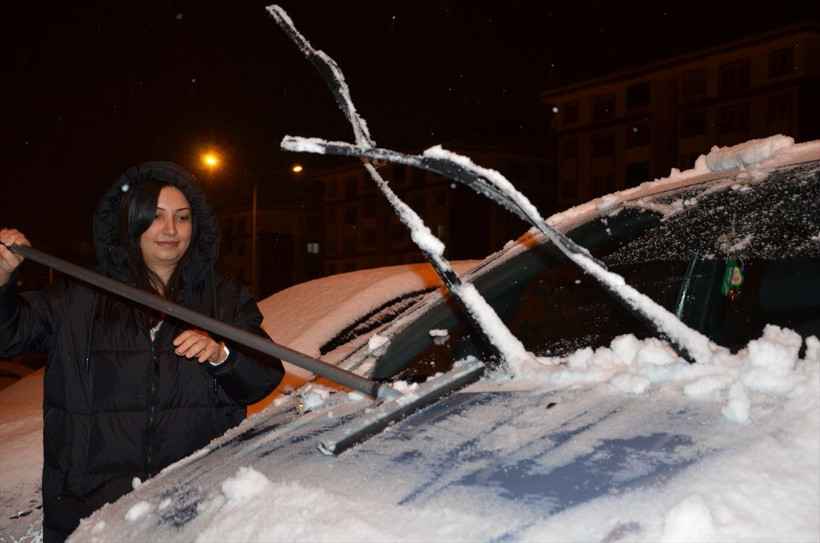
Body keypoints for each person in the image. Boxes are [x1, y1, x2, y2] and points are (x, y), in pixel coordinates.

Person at [0, 161, 285, 542]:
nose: (170, 230)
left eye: (182, 217)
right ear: (132, 222)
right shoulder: (81, 293)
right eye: (155, 216)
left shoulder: (224, 299)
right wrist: (2, 278)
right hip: (90, 514)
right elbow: (8, 336)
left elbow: (264, 376)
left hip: (192, 511)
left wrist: (222, 355)